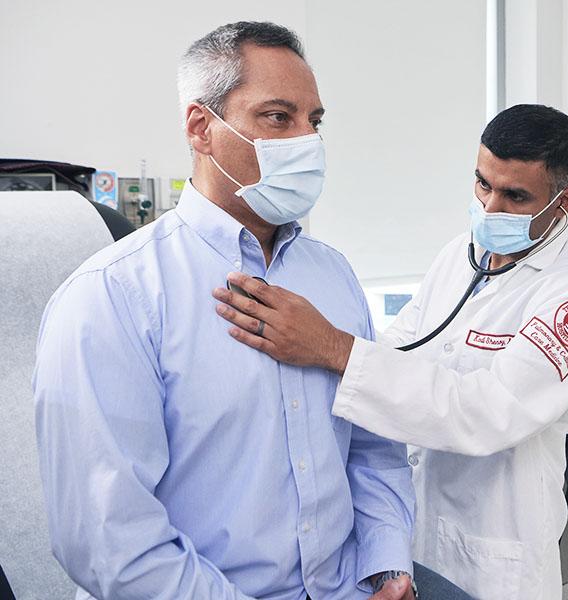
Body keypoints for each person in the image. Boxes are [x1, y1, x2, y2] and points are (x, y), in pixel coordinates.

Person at [33, 21, 417, 600]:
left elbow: (372, 447)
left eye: (314, 122)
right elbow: (109, 540)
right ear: (201, 128)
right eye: (277, 117)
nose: (306, 142)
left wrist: (389, 564)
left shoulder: (333, 276)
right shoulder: (113, 297)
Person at [213, 104, 568, 599]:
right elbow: (403, 345)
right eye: (483, 184)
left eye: (515, 196)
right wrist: (314, 345)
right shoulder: (459, 254)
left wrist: (333, 348)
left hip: (498, 545)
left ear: (564, 200)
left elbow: (485, 412)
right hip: (421, 522)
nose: (489, 208)